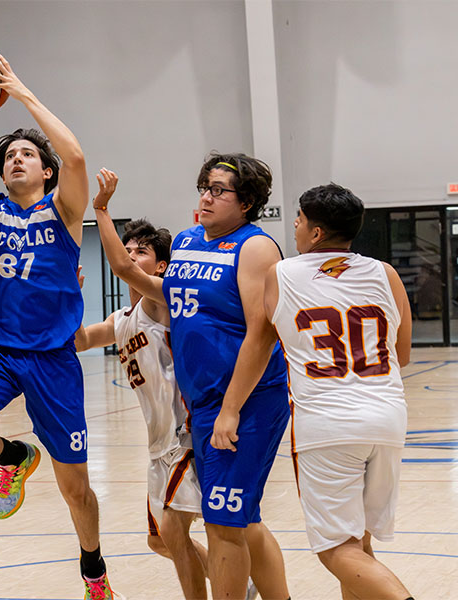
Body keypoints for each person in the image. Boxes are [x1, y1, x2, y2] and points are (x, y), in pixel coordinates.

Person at [0, 52, 119, 599]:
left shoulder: (65, 210)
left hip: (53, 358)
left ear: (46, 171)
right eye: (10, 155)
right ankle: (15, 457)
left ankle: (93, 571)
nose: (17, 159)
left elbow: (76, 156)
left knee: (75, 489)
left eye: (27, 154)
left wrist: (20, 92)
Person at [108, 154, 291, 599]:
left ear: (246, 202)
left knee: (222, 522)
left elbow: (261, 332)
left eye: (218, 190)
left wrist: (231, 410)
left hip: (248, 401)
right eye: (204, 187)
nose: (206, 197)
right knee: (242, 519)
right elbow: (165, 291)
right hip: (203, 405)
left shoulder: (256, 247)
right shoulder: (188, 240)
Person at [265, 183, 414, 600]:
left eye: (298, 220)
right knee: (358, 542)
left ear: (315, 233)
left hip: (327, 424)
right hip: (387, 417)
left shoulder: (282, 273)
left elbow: (259, 342)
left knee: (335, 549)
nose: (294, 226)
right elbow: (401, 355)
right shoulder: (386, 273)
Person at [75, 170, 211, 599]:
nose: (131, 256)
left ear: (162, 265)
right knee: (159, 540)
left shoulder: (162, 299)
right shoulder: (121, 319)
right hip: (157, 445)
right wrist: (70, 297)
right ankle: (237, 582)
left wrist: (101, 209)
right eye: (128, 249)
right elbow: (79, 340)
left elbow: (119, 266)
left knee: (173, 531)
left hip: (185, 435)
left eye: (142, 251)